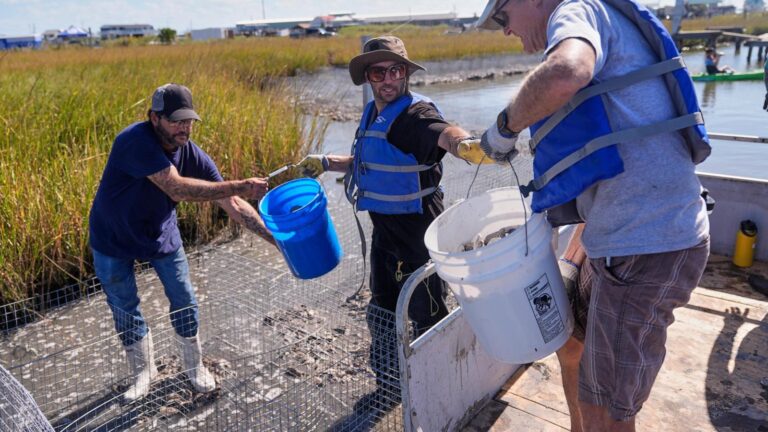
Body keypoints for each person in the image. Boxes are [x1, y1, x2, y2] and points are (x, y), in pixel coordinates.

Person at [476, 0, 711, 430]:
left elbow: (568, 71)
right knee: (571, 344)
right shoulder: (597, 17)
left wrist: (504, 127)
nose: (505, 30)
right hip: (611, 234)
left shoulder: (575, 9)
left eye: (502, 17)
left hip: (647, 242)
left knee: (607, 409)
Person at [293, 36, 483, 417]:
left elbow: (445, 133)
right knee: (380, 306)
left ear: (406, 74)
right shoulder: (374, 113)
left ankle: (440, 383)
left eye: (395, 70)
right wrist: (328, 162)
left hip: (417, 233)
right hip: (385, 234)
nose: (388, 78)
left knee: (426, 312)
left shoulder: (415, 116)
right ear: (368, 77)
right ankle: (391, 381)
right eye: (378, 71)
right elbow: (373, 159)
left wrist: (468, 146)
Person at [89, 83, 274, 402]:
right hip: (113, 235)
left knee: (184, 297)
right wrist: (243, 184)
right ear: (154, 118)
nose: (184, 128)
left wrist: (277, 241)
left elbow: (233, 203)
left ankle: (194, 366)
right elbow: (177, 189)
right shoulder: (134, 142)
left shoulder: (191, 153)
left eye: (188, 121)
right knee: (123, 304)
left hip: (160, 233)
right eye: (176, 121)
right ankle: (142, 372)